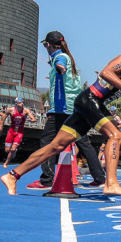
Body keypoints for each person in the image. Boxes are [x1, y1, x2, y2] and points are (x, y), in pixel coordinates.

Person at [0, 39, 121, 196]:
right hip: (89, 100)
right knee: (116, 135)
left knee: (55, 146)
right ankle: (111, 184)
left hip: (92, 106)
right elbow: (106, 72)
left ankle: (12, 175)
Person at [27, 31, 105, 189]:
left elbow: (60, 61)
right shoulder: (71, 59)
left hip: (61, 109)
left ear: (49, 45)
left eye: (45, 45)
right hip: (74, 107)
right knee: (83, 142)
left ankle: (46, 180)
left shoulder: (61, 57)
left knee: (47, 141)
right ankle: (99, 177)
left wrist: (59, 66)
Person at [0, 98, 37, 168]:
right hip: (11, 131)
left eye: (23, 102)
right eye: (20, 102)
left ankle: (6, 163)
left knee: (13, 149)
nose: (22, 104)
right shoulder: (10, 110)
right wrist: (0, 126)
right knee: (7, 150)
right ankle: (14, 151)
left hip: (19, 133)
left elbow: (34, 119)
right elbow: (3, 117)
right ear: (16, 104)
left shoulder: (25, 110)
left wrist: (32, 120)